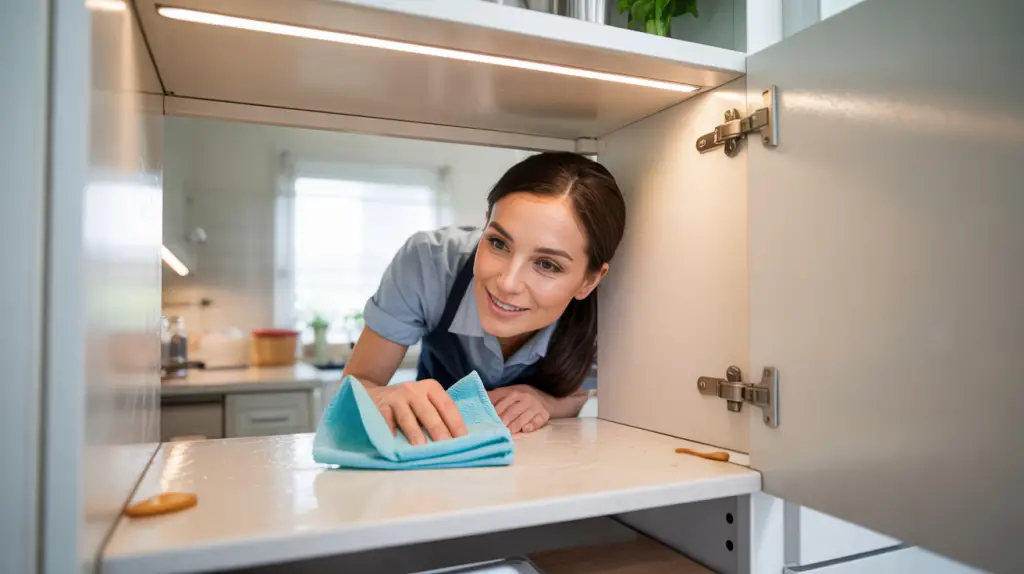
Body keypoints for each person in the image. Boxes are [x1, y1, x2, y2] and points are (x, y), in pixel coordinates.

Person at [342, 152, 626, 445]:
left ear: (590, 281)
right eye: (498, 243)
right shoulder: (428, 263)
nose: (507, 283)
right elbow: (354, 388)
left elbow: (579, 394)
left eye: (547, 264)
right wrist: (384, 396)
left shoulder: (613, 311)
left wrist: (545, 402)